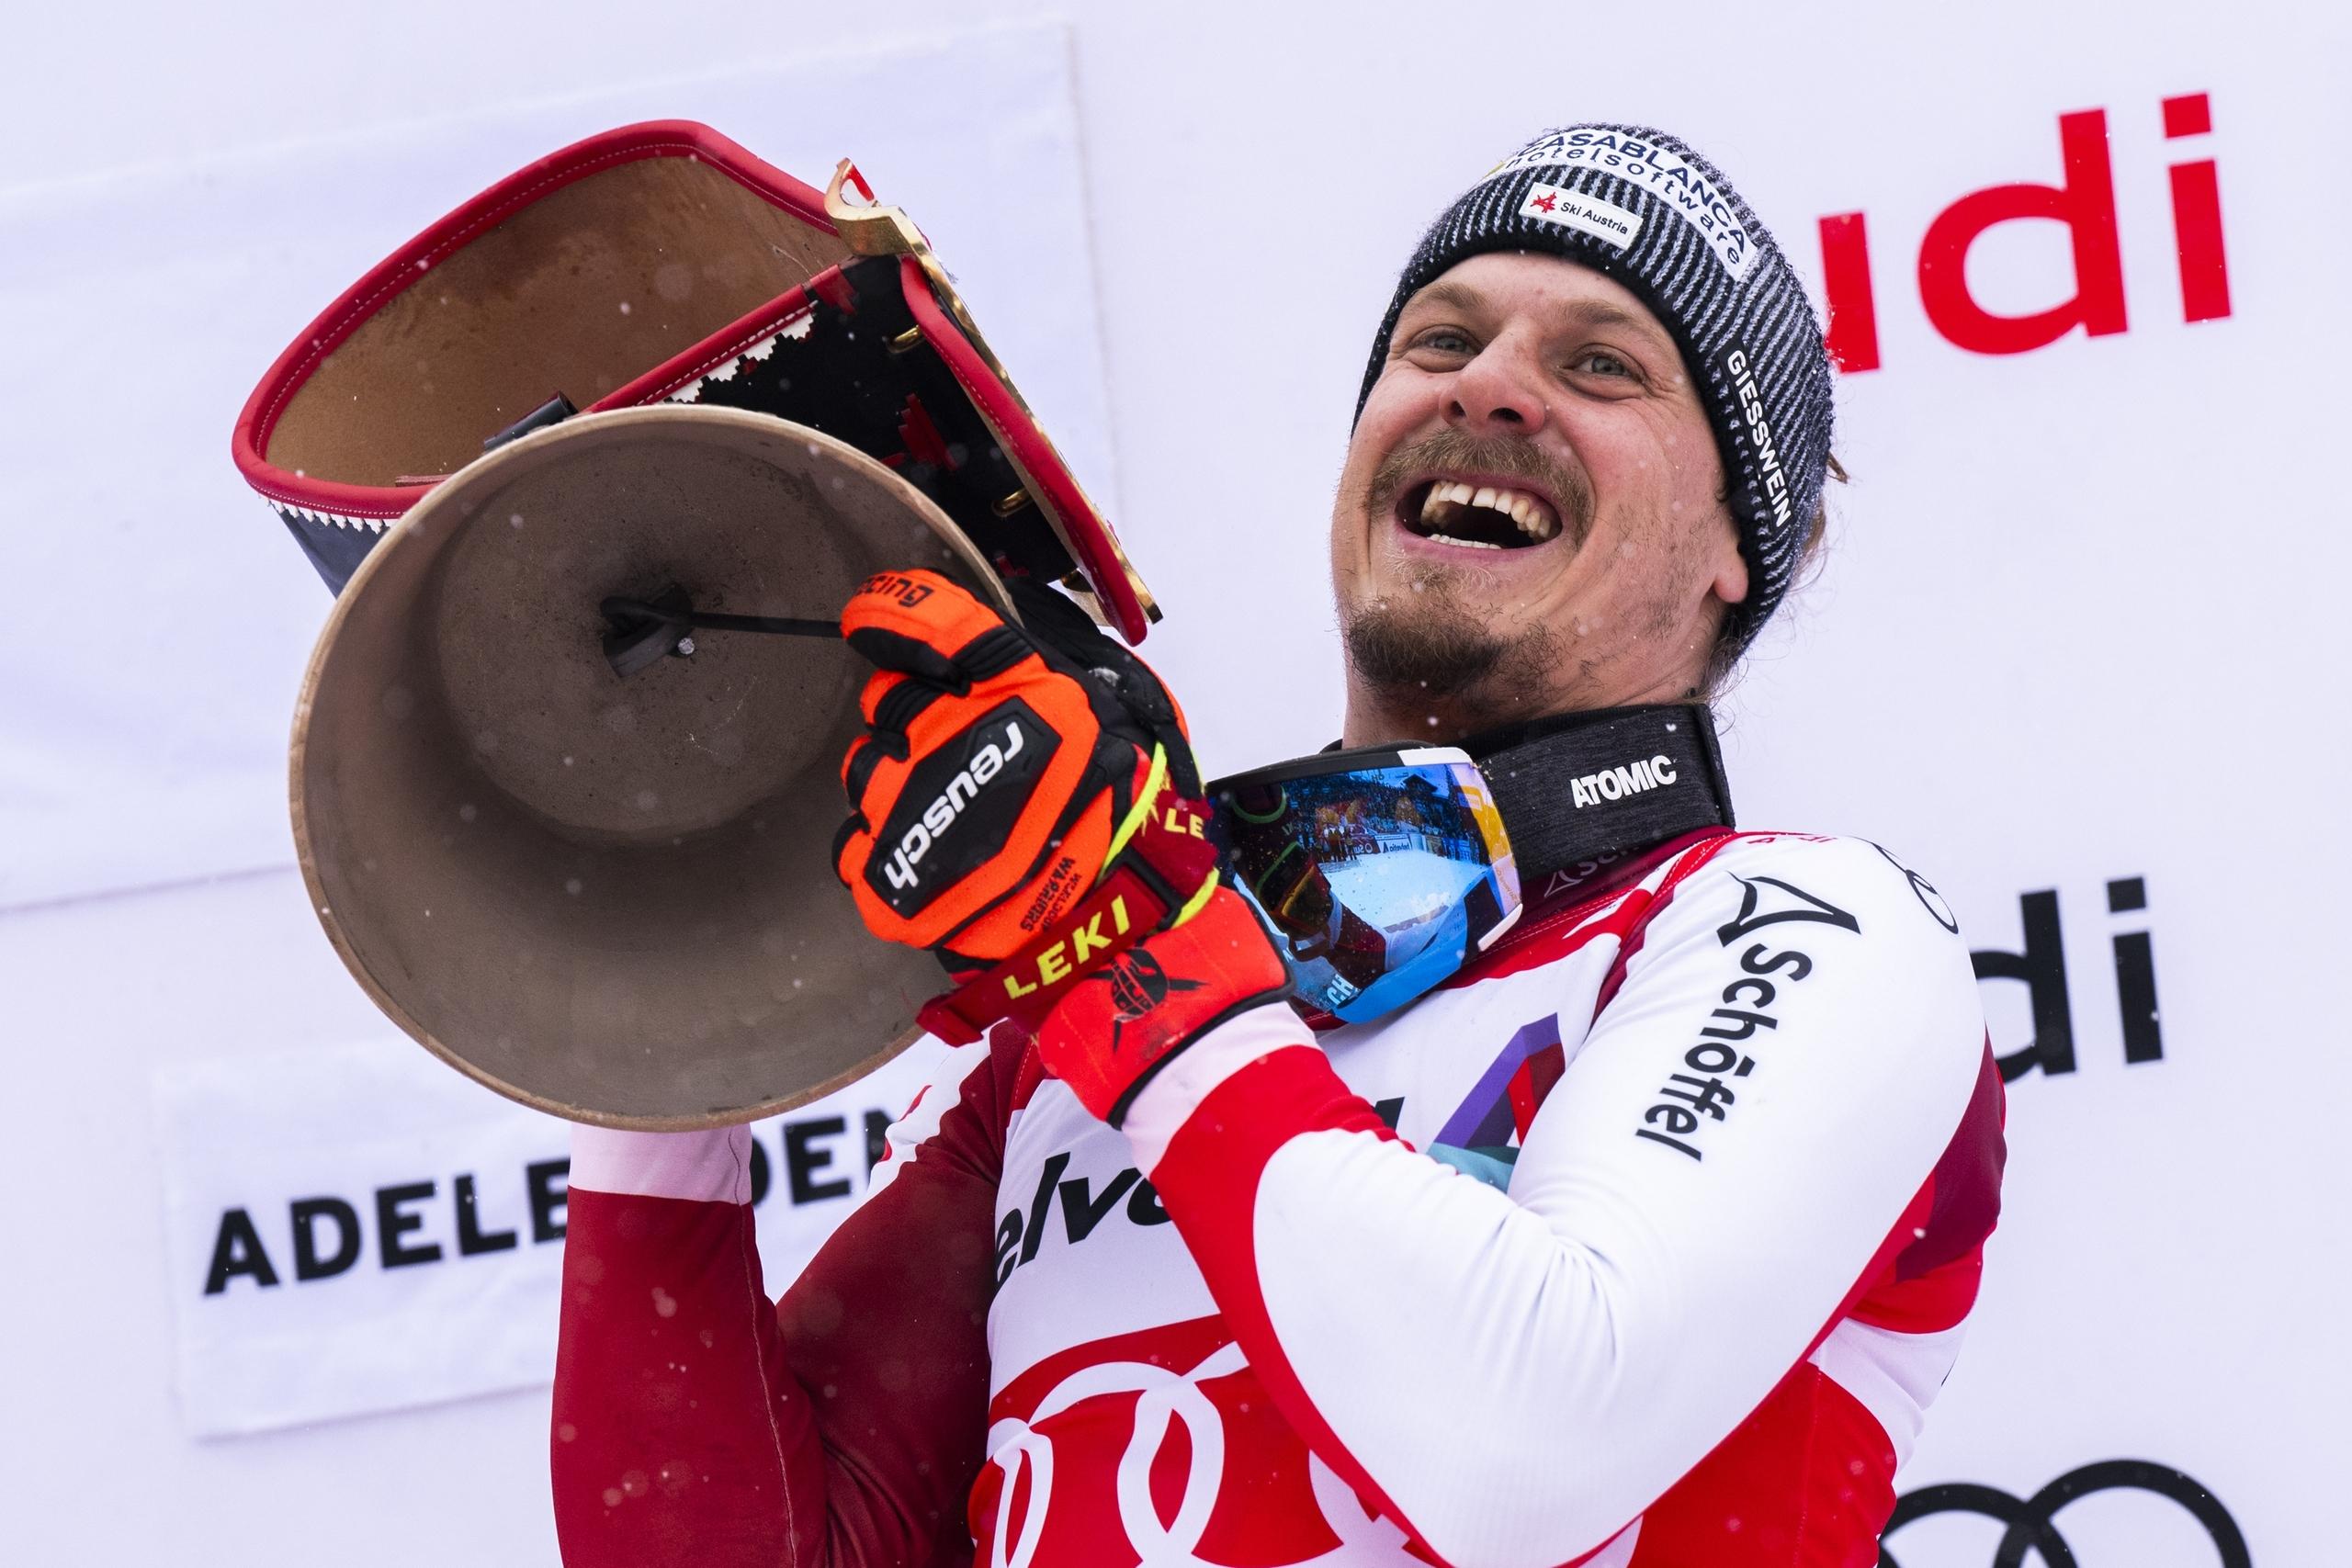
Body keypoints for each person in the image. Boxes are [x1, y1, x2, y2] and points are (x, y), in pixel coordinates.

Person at [550, 123, 2005, 1568]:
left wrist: (1139, 967)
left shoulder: (1808, 929)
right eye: (1439, 342)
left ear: (1737, 544)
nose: (1489, 387)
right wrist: (662, 964)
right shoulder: (1074, 1046)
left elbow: (1525, 1449)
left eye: (1601, 364)